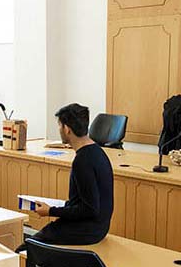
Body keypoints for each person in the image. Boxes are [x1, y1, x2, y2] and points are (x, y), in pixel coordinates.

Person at [17, 103, 114, 251]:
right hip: (99, 227)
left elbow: (89, 209)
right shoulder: (97, 152)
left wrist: (50, 211)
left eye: (60, 126)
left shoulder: (82, 161)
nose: (59, 130)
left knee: (24, 249)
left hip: (87, 230)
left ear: (67, 129)